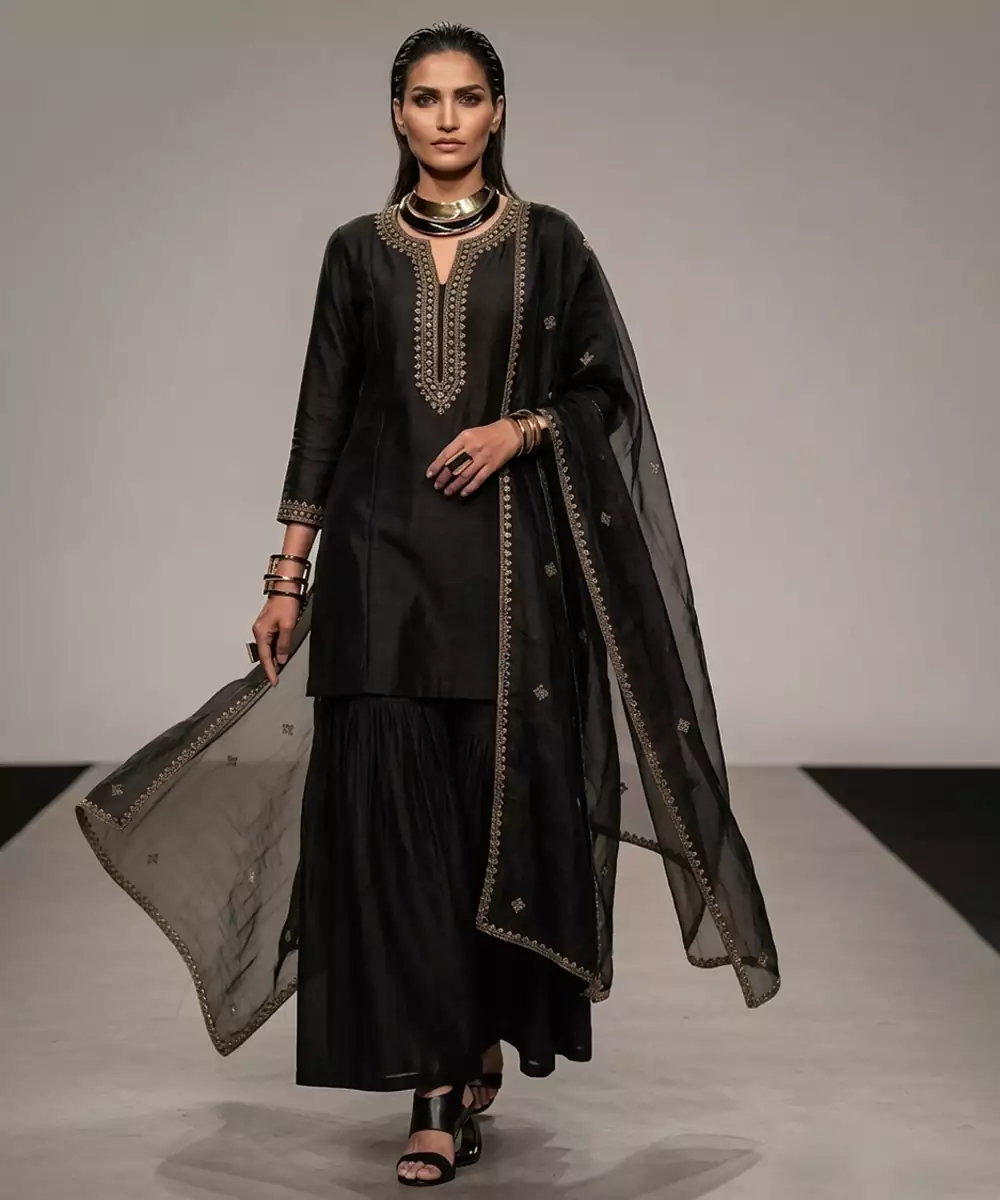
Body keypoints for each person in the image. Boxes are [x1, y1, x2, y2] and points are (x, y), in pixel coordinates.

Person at [77, 21, 780, 1191]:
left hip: (508, 587)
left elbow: (605, 393)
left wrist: (522, 429)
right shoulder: (356, 252)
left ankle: (471, 1036)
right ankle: (438, 1086)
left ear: (497, 110)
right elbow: (323, 412)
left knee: (491, 827)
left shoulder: (550, 246)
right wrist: (286, 576)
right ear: (396, 114)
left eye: (465, 98)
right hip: (377, 576)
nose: (444, 118)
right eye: (422, 98)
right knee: (395, 841)